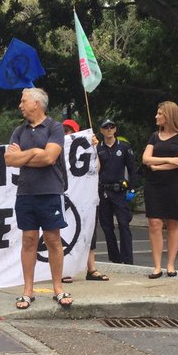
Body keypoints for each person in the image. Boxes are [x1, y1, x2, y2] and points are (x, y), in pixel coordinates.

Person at [5, 87, 71, 309]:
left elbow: (50, 157)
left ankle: (58, 288)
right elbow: (9, 160)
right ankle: (27, 291)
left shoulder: (55, 127)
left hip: (50, 191)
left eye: (23, 101)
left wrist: (25, 155)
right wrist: (35, 153)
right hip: (25, 193)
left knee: (53, 239)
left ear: (36, 103)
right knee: (29, 240)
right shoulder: (18, 131)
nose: (20, 105)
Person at [141, 101, 178, 278]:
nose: (156, 116)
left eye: (160, 113)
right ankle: (157, 266)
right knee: (154, 222)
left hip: (174, 183)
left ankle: (170, 264)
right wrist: (170, 161)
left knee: (172, 222)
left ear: (169, 115)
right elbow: (146, 158)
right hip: (154, 184)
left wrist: (158, 166)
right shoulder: (154, 136)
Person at [59, 119, 107, 283]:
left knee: (88, 230)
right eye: (64, 131)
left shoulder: (86, 148)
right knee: (66, 231)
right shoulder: (57, 148)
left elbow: (97, 168)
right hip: (66, 196)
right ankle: (65, 270)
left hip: (85, 197)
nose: (67, 135)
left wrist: (92, 147)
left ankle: (91, 268)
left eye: (70, 131)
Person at [96, 119, 137, 265]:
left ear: (115, 129)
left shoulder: (124, 147)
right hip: (103, 190)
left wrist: (132, 188)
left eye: (111, 127)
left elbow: (132, 170)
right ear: (101, 130)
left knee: (124, 223)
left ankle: (127, 259)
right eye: (105, 127)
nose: (108, 130)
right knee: (107, 226)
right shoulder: (97, 148)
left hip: (119, 190)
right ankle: (115, 258)